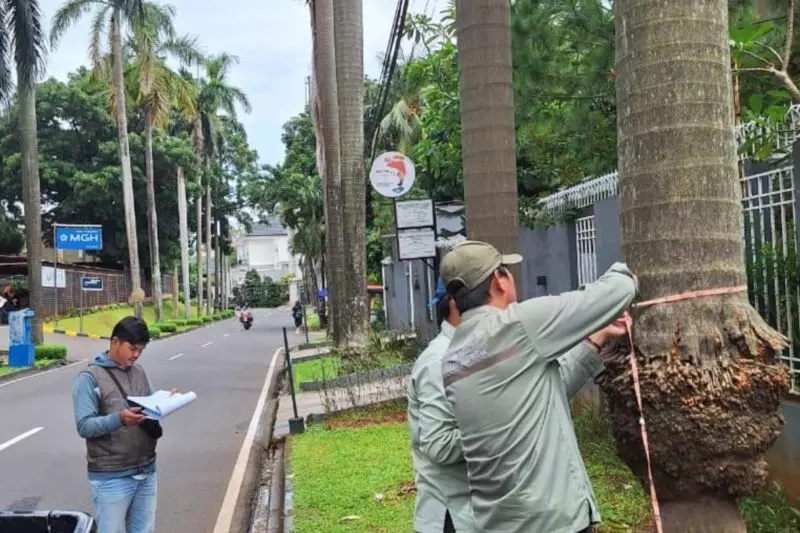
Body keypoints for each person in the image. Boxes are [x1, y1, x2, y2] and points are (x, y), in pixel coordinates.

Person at [438, 240, 637, 533]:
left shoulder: (454, 358)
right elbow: (614, 292)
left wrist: (598, 336)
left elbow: (545, 389)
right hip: (551, 522)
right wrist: (625, 275)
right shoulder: (518, 324)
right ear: (498, 280)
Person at [71, 317, 161, 533]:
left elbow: (149, 402)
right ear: (115, 342)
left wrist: (166, 401)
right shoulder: (89, 378)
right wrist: (119, 419)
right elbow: (84, 426)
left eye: (141, 349)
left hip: (146, 471)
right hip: (111, 477)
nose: (136, 354)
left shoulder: (138, 372)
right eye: (132, 348)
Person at [408, 280, 471, 533]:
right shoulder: (439, 361)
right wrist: (498, 434)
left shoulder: (473, 349)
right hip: (454, 518)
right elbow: (439, 444)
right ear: (455, 303)